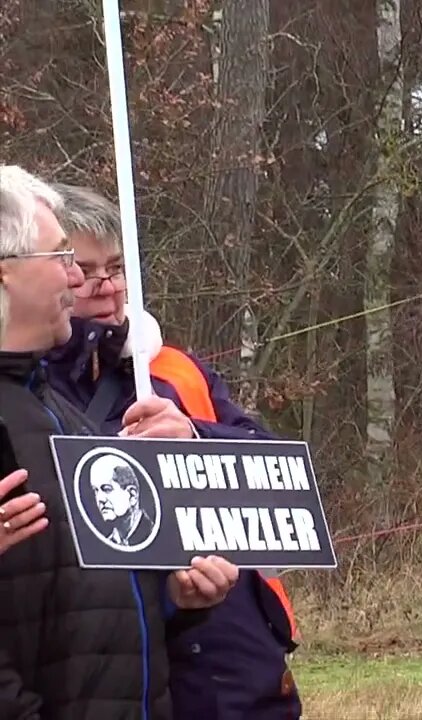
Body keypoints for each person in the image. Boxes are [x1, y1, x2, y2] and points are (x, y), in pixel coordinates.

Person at [43, 182, 303, 720]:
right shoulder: (33, 394)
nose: (106, 288)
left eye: (115, 268)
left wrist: (196, 439)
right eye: (85, 271)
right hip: (141, 680)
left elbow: (274, 473)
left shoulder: (174, 371)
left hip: (243, 670)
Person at [0, 165, 238, 719]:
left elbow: (82, 605)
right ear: (6, 273)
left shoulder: (60, 415)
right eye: (62, 259)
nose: (78, 281)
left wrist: (176, 601)